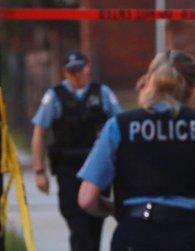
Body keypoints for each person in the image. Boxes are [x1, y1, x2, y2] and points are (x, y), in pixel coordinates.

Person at [76, 50, 195, 250]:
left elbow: (86, 199)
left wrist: (118, 209)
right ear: (192, 89)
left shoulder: (119, 126)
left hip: (136, 234)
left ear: (150, 83)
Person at [31, 49, 122, 251]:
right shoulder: (55, 96)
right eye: (71, 71)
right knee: (78, 224)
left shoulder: (103, 93)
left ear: (88, 68)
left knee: (94, 225)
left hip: (98, 168)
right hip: (68, 169)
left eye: (79, 69)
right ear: (64, 72)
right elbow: (39, 133)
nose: (76, 74)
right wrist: (39, 171)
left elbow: (120, 125)